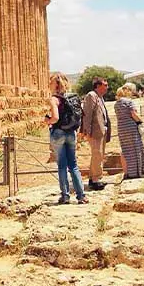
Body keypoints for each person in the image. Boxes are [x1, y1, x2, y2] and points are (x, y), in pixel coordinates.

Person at [45, 74, 87, 205]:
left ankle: (65, 196)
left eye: (50, 83)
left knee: (62, 166)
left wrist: (47, 121)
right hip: (71, 132)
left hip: (58, 133)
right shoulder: (71, 96)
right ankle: (81, 196)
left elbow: (56, 118)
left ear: (55, 84)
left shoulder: (54, 99)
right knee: (73, 165)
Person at [80, 78, 112, 191]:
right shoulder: (91, 96)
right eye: (105, 85)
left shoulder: (100, 97)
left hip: (101, 131)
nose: (107, 87)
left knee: (99, 155)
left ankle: (94, 178)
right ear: (98, 86)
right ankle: (95, 180)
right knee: (97, 154)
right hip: (94, 132)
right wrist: (87, 131)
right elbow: (87, 115)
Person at [114, 83, 144, 180]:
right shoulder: (129, 102)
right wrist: (141, 122)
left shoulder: (116, 104)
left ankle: (126, 172)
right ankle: (137, 172)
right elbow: (133, 114)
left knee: (125, 150)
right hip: (131, 128)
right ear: (128, 91)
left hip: (121, 128)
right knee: (136, 148)